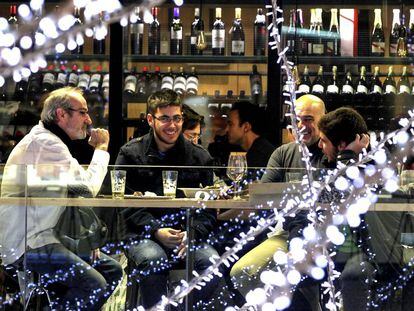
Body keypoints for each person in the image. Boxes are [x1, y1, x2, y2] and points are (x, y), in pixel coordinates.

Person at [0, 87, 123, 310]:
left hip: (46, 237)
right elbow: (87, 188)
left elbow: (73, 189)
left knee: (111, 270)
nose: (89, 119)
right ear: (61, 114)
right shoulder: (47, 144)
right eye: (83, 112)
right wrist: (102, 148)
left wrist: (87, 239)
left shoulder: (46, 142)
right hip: (28, 245)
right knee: (94, 284)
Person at [114, 89, 220, 309]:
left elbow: (209, 207)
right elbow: (124, 205)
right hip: (142, 233)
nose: (172, 126)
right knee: (154, 260)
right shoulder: (130, 154)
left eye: (177, 118)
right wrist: (156, 230)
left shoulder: (199, 156)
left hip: (185, 233)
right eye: (165, 119)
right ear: (151, 119)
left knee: (212, 263)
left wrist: (192, 232)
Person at [230, 94, 327, 310]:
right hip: (288, 233)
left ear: (324, 120)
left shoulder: (332, 151)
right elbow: (264, 196)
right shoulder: (283, 153)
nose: (301, 125)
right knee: (241, 272)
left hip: (329, 235)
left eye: (309, 119)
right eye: (296, 118)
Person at [227, 101, 275, 181]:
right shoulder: (257, 150)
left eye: (230, 124)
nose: (227, 129)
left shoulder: (260, 155)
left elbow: (250, 189)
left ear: (246, 127)